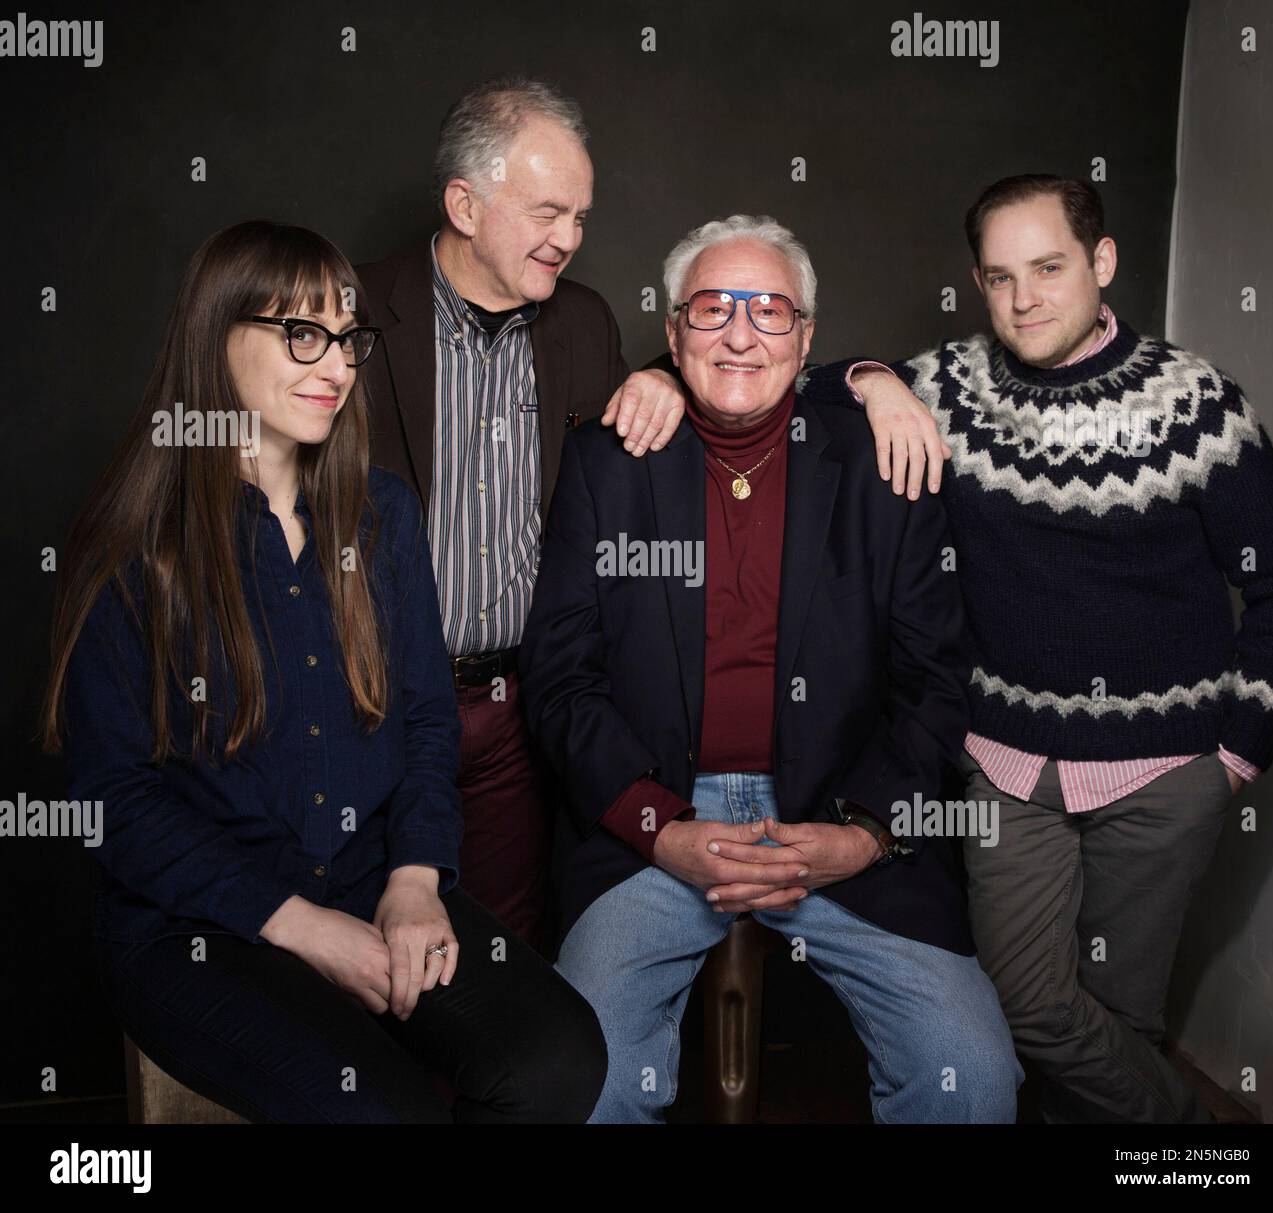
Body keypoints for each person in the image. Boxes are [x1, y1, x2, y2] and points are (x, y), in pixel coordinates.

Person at [42, 220, 605, 1123]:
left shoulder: (383, 516)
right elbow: (115, 801)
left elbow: (427, 723)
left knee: (560, 1057)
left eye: (348, 337)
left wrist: (416, 882)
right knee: (383, 1110)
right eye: (302, 334)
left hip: (373, 878)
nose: (337, 365)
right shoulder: (130, 545)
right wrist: (303, 928)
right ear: (214, 335)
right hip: (200, 926)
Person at [802, 174, 1273, 1122]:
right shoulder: (947, 387)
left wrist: (1235, 758)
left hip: (1165, 776)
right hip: (1004, 768)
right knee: (1028, 1009)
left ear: (1101, 262)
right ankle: (1205, 1143)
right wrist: (873, 382)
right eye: (999, 277)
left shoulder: (1196, 405)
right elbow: (801, 387)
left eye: (1048, 267)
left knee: (1122, 1019)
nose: (1024, 297)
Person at [519, 214, 1022, 1123]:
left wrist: (866, 833)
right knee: (584, 1087)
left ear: (807, 338)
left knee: (973, 1078)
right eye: (712, 309)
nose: (742, 333)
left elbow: (936, 685)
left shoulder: (885, 463)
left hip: (839, 815)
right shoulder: (606, 461)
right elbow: (561, 682)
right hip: (649, 820)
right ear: (672, 335)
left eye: (770, 311)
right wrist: (658, 823)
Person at [356, 77, 690, 950]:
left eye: (580, 217)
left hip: (518, 714)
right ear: (465, 204)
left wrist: (666, 375)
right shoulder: (353, 312)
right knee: (367, 945)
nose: (570, 239)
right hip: (372, 700)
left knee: (501, 953)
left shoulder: (582, 324)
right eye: (549, 212)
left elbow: (643, 434)